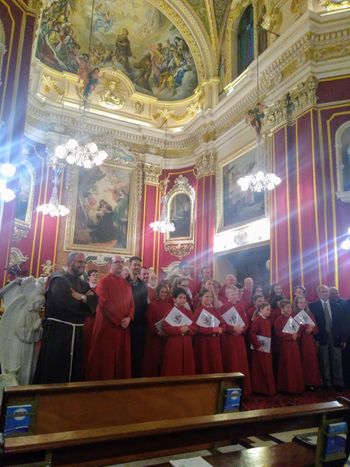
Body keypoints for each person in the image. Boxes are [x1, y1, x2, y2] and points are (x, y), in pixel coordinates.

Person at [34, 252, 98, 384]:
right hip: (58, 333)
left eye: (84, 262)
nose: (83, 265)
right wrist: (84, 302)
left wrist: (80, 297)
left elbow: (94, 305)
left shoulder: (83, 284)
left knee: (74, 371)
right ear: (70, 263)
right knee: (55, 370)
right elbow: (64, 304)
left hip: (78, 333)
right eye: (80, 262)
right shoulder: (59, 279)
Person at [86, 256, 134, 380]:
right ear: (110, 265)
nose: (120, 264)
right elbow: (104, 303)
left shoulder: (126, 284)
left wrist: (129, 317)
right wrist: (119, 320)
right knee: (105, 358)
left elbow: (132, 304)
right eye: (117, 262)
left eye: (122, 262)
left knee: (121, 357)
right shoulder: (104, 281)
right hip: (107, 327)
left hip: (123, 326)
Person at [309, 285, 346, 389]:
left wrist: (343, 338)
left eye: (326, 291)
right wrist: (315, 338)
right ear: (318, 293)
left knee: (337, 360)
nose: (325, 293)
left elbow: (341, 323)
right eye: (322, 291)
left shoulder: (336, 305)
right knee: (324, 361)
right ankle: (327, 383)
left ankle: (338, 382)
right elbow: (312, 323)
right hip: (322, 337)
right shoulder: (313, 306)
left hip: (335, 336)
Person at [219, 285, 252, 395]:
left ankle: (244, 390)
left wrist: (242, 329)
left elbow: (246, 322)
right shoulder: (223, 308)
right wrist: (232, 328)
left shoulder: (240, 307)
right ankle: (230, 390)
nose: (235, 296)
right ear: (227, 295)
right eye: (232, 294)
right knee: (232, 362)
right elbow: (222, 323)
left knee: (241, 362)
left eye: (236, 294)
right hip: (229, 339)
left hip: (239, 339)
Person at [161, 288, 195, 376]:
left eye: (184, 298)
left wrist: (188, 329)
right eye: (180, 297)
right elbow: (165, 327)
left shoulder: (189, 312)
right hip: (174, 342)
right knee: (174, 366)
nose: (183, 300)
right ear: (174, 299)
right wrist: (179, 329)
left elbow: (194, 327)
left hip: (187, 342)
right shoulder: (170, 311)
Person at [274, 300, 304, 393]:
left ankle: (297, 387)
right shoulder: (279, 320)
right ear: (282, 309)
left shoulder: (293, 319)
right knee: (287, 366)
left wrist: (297, 335)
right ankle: (286, 388)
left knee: (295, 365)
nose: (289, 309)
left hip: (294, 346)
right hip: (285, 346)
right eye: (287, 307)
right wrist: (291, 336)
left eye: (290, 307)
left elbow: (298, 331)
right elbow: (279, 334)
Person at [142, 284, 172, 377]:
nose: (163, 294)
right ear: (158, 292)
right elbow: (148, 320)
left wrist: (168, 331)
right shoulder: (152, 305)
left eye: (165, 292)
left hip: (166, 337)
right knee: (154, 359)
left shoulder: (170, 306)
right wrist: (157, 331)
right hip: (154, 338)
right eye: (162, 292)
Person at [294, 296, 321, 390]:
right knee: (302, 361)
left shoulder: (310, 314)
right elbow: (292, 329)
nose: (302, 304)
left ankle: (313, 382)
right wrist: (304, 328)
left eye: (304, 302)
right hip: (299, 341)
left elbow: (316, 328)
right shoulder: (294, 314)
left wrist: (312, 330)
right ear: (296, 304)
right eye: (300, 302)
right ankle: (304, 383)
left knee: (312, 361)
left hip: (310, 341)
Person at [193, 289, 223, 374]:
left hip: (215, 341)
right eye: (206, 296)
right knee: (204, 363)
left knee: (215, 363)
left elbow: (222, 324)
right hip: (203, 342)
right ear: (201, 298)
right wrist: (211, 330)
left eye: (211, 297)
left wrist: (221, 329)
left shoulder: (215, 310)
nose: (209, 299)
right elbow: (196, 328)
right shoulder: (198, 311)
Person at [127, 256, 148, 377]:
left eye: (139, 265)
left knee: (137, 353)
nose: (137, 267)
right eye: (135, 264)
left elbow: (144, 306)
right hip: (126, 324)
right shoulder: (123, 282)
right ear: (129, 265)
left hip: (139, 324)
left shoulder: (142, 285)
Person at [249, 302, 276, 395]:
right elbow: (252, 333)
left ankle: (268, 389)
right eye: (267, 310)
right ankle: (260, 389)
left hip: (266, 348)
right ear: (261, 309)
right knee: (260, 367)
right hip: (259, 349)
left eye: (270, 310)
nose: (269, 312)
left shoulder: (267, 321)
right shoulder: (257, 320)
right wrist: (258, 345)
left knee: (267, 367)